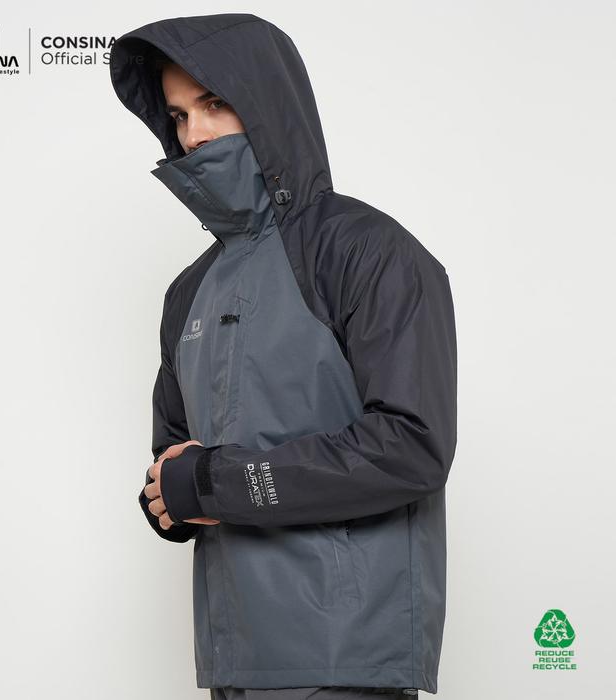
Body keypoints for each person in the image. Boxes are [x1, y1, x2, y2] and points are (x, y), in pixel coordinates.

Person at [109, 13, 457, 700]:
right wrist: (168, 498)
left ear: (265, 102)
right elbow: (178, 459)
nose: (193, 134)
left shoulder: (366, 252)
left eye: (213, 103)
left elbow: (412, 446)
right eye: (178, 115)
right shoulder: (189, 291)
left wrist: (216, 483)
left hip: (342, 656)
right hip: (233, 652)